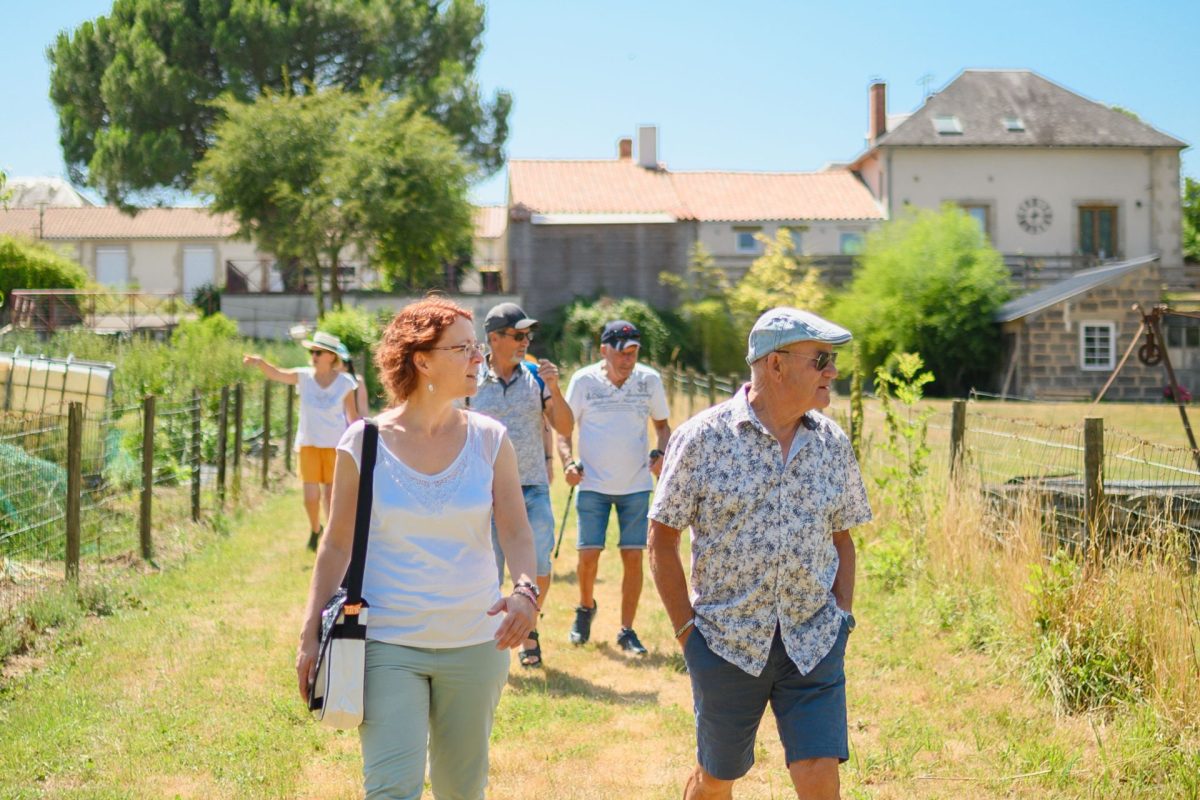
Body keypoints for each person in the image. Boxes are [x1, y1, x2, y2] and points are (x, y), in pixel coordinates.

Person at [295, 297, 538, 800]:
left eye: (477, 348)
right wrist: (308, 636)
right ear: (422, 360)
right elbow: (336, 544)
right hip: (387, 641)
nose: (479, 359)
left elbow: (515, 530)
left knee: (461, 790)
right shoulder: (363, 442)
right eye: (464, 348)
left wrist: (525, 590)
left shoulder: (491, 439)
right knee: (390, 790)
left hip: (476, 642)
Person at [647, 308, 873, 800]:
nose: (832, 371)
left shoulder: (832, 444)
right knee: (716, 778)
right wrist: (688, 634)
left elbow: (843, 539)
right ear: (775, 365)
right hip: (726, 643)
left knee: (819, 776)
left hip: (813, 642)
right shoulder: (702, 439)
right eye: (820, 360)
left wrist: (842, 619)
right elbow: (661, 539)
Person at [467, 302, 573, 668]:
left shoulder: (536, 376)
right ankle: (489, 642)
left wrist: (556, 390)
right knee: (488, 569)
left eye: (528, 335)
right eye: (517, 335)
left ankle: (528, 630)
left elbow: (565, 427)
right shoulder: (471, 379)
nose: (525, 341)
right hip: (484, 492)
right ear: (494, 338)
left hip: (531, 486)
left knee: (539, 564)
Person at [559, 320, 670, 656]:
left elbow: (663, 428)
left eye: (634, 352)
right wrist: (567, 462)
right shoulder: (583, 381)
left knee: (632, 557)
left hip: (635, 486)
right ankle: (584, 607)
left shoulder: (649, 380)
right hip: (592, 484)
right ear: (604, 350)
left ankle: (627, 630)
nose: (628, 359)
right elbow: (564, 430)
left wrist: (661, 454)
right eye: (622, 353)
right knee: (588, 555)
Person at [243, 331, 360, 550]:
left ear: (331, 356)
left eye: (318, 352)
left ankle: (331, 540)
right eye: (312, 351)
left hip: (335, 446)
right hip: (309, 444)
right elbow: (277, 374)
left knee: (329, 495)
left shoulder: (345, 382)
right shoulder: (304, 376)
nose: (313, 356)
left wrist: (361, 441)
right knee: (310, 497)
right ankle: (316, 529)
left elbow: (353, 417)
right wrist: (260, 362)